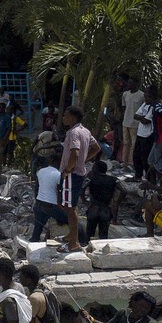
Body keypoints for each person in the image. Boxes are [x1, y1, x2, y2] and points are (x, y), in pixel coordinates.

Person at [59, 106, 100, 253]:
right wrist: (84, 160)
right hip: (78, 172)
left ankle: (74, 243)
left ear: (73, 117)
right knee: (69, 205)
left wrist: (68, 170)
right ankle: (71, 235)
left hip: (72, 174)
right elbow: (96, 147)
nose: (63, 117)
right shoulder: (85, 130)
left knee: (70, 208)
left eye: (66, 115)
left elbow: (75, 153)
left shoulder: (73, 132)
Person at [32, 149, 67, 241]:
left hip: (39, 204)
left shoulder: (41, 171)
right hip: (52, 206)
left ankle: (33, 243)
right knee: (69, 221)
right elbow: (60, 193)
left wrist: (37, 201)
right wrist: (62, 208)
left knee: (37, 228)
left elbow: (36, 188)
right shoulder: (59, 174)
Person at [83, 160, 123, 240]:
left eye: (93, 167)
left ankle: (87, 248)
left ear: (97, 169)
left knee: (89, 234)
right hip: (105, 209)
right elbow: (124, 190)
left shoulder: (91, 178)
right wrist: (117, 202)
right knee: (103, 235)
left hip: (93, 208)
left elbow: (82, 188)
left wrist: (84, 200)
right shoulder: (113, 179)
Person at [133, 85, 162, 182]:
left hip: (148, 136)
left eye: (146, 93)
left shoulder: (155, 106)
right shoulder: (145, 104)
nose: (144, 95)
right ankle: (138, 176)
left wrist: (141, 117)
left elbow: (146, 121)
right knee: (136, 156)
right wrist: (142, 117)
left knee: (146, 159)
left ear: (151, 95)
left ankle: (151, 180)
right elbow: (135, 115)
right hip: (140, 133)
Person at [121, 78, 144, 166]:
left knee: (134, 144)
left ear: (136, 84)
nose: (128, 85)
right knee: (126, 143)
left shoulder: (141, 95)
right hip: (125, 122)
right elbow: (124, 107)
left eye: (131, 83)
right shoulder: (125, 94)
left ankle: (131, 162)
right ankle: (124, 161)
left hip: (135, 123)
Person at [5, 103, 27, 167]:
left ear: (11, 110)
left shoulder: (15, 118)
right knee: (4, 151)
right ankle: (4, 164)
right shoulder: (4, 116)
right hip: (4, 137)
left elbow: (24, 125)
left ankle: (8, 164)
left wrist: (17, 130)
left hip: (11, 137)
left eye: (8, 109)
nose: (7, 110)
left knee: (10, 151)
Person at [0, 103, 11, 170]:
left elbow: (9, 129)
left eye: (0, 108)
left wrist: (4, 138)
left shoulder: (7, 117)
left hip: (3, 138)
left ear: (4, 109)